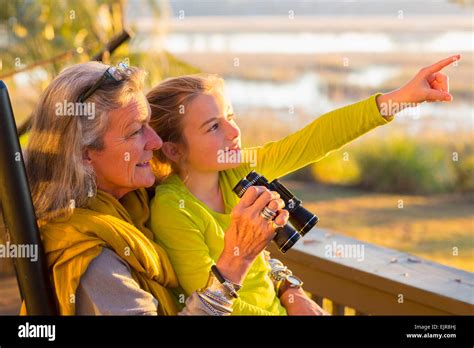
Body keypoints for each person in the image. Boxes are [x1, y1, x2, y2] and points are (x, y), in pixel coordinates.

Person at [146, 55, 460, 315]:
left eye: (231, 115)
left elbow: (315, 139)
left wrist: (399, 99)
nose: (233, 131)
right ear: (174, 149)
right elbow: (214, 301)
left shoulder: (237, 171)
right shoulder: (173, 209)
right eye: (213, 126)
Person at [20, 61, 303, 316]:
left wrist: (288, 288)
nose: (155, 142)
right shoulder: (93, 262)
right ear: (84, 154)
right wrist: (236, 261)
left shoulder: (139, 202)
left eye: (149, 124)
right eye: (135, 131)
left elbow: (230, 250)